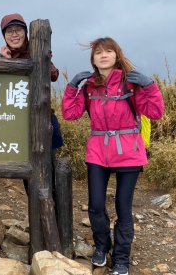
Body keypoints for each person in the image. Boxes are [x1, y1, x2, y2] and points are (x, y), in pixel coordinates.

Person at [62, 37, 164, 275]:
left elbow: (156, 112)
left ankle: (121, 259)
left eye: (109, 51)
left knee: (123, 207)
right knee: (96, 205)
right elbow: (70, 114)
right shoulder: (89, 87)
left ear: (117, 56)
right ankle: (102, 247)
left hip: (129, 151)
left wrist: (150, 86)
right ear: (93, 59)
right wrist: (71, 87)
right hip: (98, 151)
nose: (104, 55)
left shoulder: (131, 84)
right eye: (99, 52)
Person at [0, 13, 63, 194]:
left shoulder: (37, 50)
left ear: (26, 32)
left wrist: (43, 58)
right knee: (29, 174)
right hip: (18, 123)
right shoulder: (3, 56)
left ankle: (54, 218)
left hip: (43, 121)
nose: (14, 34)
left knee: (49, 171)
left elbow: (54, 75)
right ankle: (36, 219)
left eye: (18, 29)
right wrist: (4, 61)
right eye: (9, 31)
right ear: (4, 35)